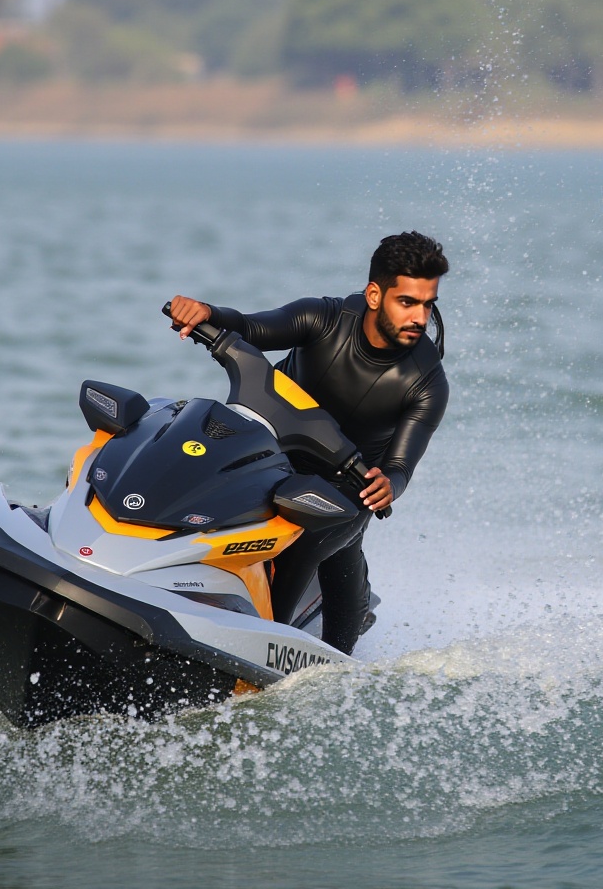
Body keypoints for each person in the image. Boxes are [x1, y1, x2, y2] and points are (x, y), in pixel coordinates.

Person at [167, 231, 449, 654]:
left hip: (344, 491)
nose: (420, 318)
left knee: (310, 542)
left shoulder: (427, 383)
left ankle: (269, 645)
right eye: (407, 302)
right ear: (375, 295)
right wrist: (206, 311)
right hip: (271, 454)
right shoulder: (325, 318)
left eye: (428, 304)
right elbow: (247, 328)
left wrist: (389, 482)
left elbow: (400, 466)